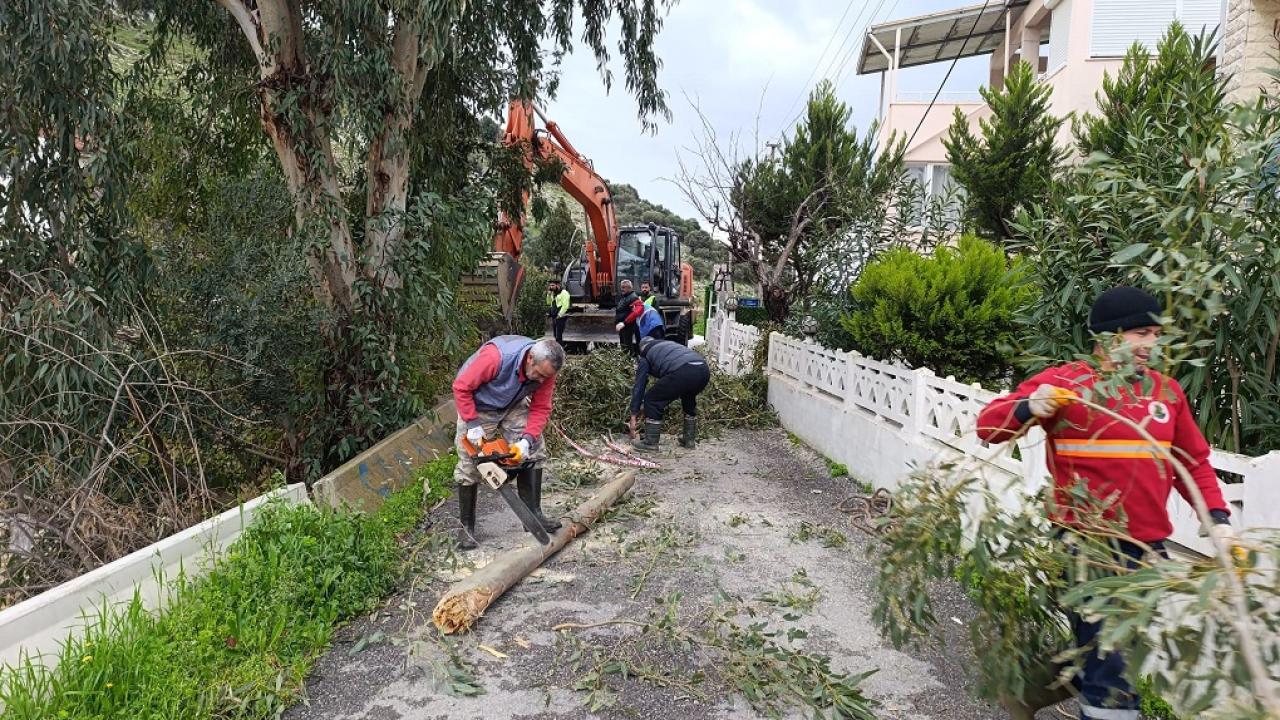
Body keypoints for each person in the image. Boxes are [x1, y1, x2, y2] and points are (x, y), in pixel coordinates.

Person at [975, 286, 1235, 720]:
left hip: (1148, 548)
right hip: (1085, 545)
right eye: (1139, 334)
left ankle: (1027, 691)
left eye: (1155, 333)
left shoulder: (1165, 393)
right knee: (1113, 664)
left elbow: (1193, 463)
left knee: (1107, 647)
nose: (1151, 344)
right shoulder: (1067, 385)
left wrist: (1218, 519)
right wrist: (1028, 407)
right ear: (1109, 338)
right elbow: (989, 427)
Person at [451, 336, 567, 550]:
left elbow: (541, 407)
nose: (541, 380)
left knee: (535, 451)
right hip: (478, 404)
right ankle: (466, 527)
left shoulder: (546, 373)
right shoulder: (496, 358)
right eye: (540, 375)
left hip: (513, 403)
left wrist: (526, 441)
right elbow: (461, 387)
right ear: (530, 358)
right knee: (469, 464)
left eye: (546, 377)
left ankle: (533, 515)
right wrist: (473, 424)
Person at [629, 336, 709, 451]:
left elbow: (639, 385)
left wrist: (633, 414)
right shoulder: (668, 345)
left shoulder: (645, 355)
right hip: (703, 370)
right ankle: (689, 439)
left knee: (652, 399)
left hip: (684, 370)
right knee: (688, 396)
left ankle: (650, 443)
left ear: (641, 348)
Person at [613, 279, 644, 354]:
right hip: (623, 326)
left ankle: (629, 362)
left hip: (628, 326)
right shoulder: (625, 297)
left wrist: (624, 322)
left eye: (624, 287)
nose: (622, 289)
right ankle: (626, 361)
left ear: (629, 288)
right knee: (624, 345)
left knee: (627, 346)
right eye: (621, 287)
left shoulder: (633, 297)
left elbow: (638, 311)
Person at [546, 279, 570, 345]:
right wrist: (548, 295)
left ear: (558, 285)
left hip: (560, 316)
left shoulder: (564, 293)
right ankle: (559, 349)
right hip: (554, 315)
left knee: (558, 335)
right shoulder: (553, 293)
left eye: (553, 285)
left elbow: (565, 305)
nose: (551, 287)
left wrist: (559, 315)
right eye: (550, 285)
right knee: (555, 335)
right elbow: (548, 303)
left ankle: (560, 350)